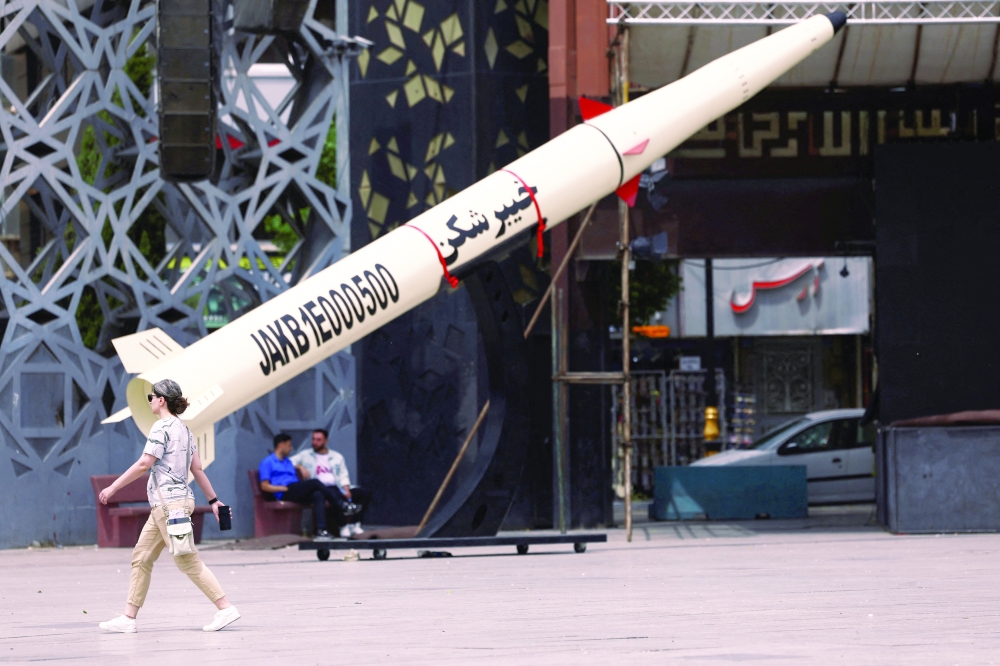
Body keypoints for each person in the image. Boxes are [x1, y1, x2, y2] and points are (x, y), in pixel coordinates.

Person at [97, 379, 240, 634]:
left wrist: (113, 487)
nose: (150, 401)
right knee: (142, 557)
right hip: (169, 505)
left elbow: (144, 464)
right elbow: (197, 470)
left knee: (187, 560)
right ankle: (128, 618)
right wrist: (213, 500)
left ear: (162, 400)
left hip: (169, 506)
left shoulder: (161, 427)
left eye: (151, 397)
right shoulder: (185, 430)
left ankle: (225, 607)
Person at [258, 433, 360, 540]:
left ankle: (321, 531)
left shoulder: (287, 462)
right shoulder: (267, 462)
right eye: (289, 445)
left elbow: (295, 469)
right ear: (281, 445)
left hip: (295, 489)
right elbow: (264, 486)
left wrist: (300, 467)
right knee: (315, 482)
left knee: (318, 494)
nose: (290, 448)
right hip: (284, 492)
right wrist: (280, 488)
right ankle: (342, 505)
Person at [292, 429, 372, 538]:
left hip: (337, 486)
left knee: (364, 493)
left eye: (318, 440)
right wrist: (300, 467)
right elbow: (288, 462)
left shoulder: (337, 456)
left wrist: (346, 488)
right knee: (332, 494)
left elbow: (343, 474)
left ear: (326, 441)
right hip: (320, 488)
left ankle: (355, 524)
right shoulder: (305, 455)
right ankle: (343, 525)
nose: (315, 442)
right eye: (313, 439)